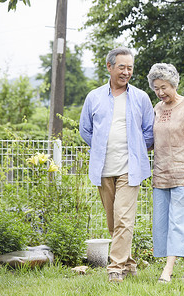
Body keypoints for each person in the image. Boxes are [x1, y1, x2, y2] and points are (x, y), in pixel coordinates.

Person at [79, 47, 154, 283]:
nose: (126, 72)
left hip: (130, 168)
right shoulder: (94, 97)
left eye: (130, 67)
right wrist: (101, 146)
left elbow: (149, 132)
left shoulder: (141, 97)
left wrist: (137, 150)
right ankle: (129, 262)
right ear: (109, 67)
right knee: (114, 221)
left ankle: (115, 267)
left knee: (123, 218)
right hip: (103, 168)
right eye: (122, 67)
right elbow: (85, 129)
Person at [147, 63, 184, 283]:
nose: (161, 93)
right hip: (161, 174)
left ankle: (167, 271)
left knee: (179, 223)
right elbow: (150, 141)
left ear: (174, 84)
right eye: (156, 88)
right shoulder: (156, 109)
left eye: (164, 87)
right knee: (165, 222)